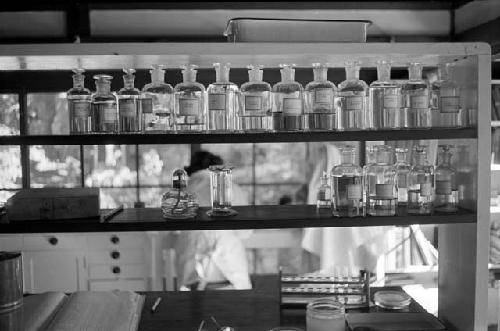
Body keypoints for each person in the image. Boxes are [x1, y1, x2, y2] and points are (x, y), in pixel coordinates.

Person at [173, 151, 252, 290]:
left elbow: (174, 225)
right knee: (234, 308)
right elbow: (246, 231)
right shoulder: (231, 188)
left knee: (191, 308)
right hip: (228, 262)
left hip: (191, 260)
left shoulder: (182, 191)